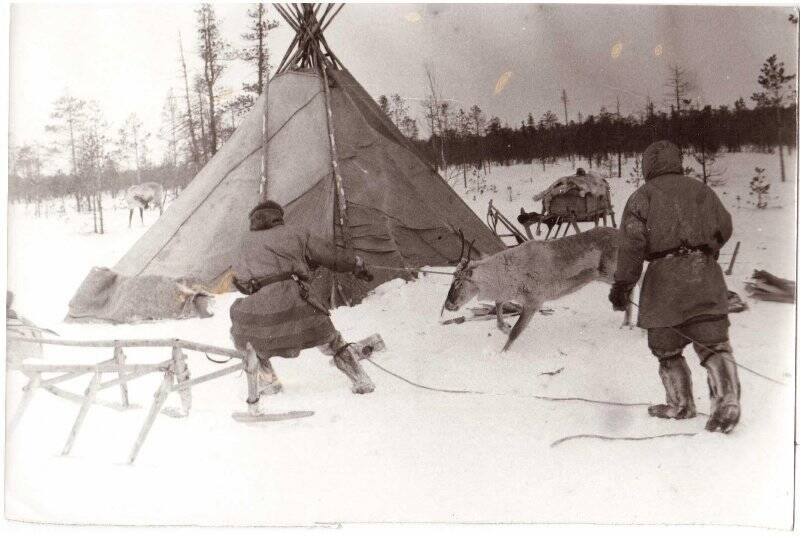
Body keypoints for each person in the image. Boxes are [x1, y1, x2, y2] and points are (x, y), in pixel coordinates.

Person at [609, 140, 740, 433]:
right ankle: (727, 400)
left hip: (664, 282)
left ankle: (680, 404)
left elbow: (631, 245)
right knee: (714, 343)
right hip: (704, 274)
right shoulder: (700, 189)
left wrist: (622, 284)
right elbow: (725, 225)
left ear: (647, 166)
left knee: (666, 349)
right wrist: (706, 249)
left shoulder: (641, 197)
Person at [230, 200, 376, 412]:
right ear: (278, 217)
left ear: (254, 220)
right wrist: (356, 264)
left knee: (249, 341)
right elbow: (331, 257)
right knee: (331, 340)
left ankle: (268, 381)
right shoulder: (295, 232)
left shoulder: (243, 242)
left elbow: (242, 283)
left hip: (260, 310)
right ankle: (360, 380)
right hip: (296, 302)